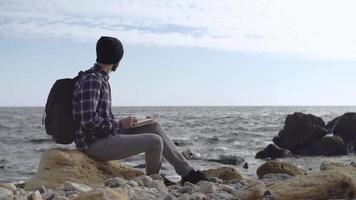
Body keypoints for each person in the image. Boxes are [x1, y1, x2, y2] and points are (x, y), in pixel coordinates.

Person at [72, 36, 207, 186]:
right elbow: (89, 122)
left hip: (103, 135)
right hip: (94, 144)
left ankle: (187, 172)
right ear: (116, 58)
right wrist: (120, 124)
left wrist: (131, 122)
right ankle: (154, 180)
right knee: (155, 142)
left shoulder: (99, 78)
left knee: (154, 127)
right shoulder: (93, 80)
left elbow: (99, 117)